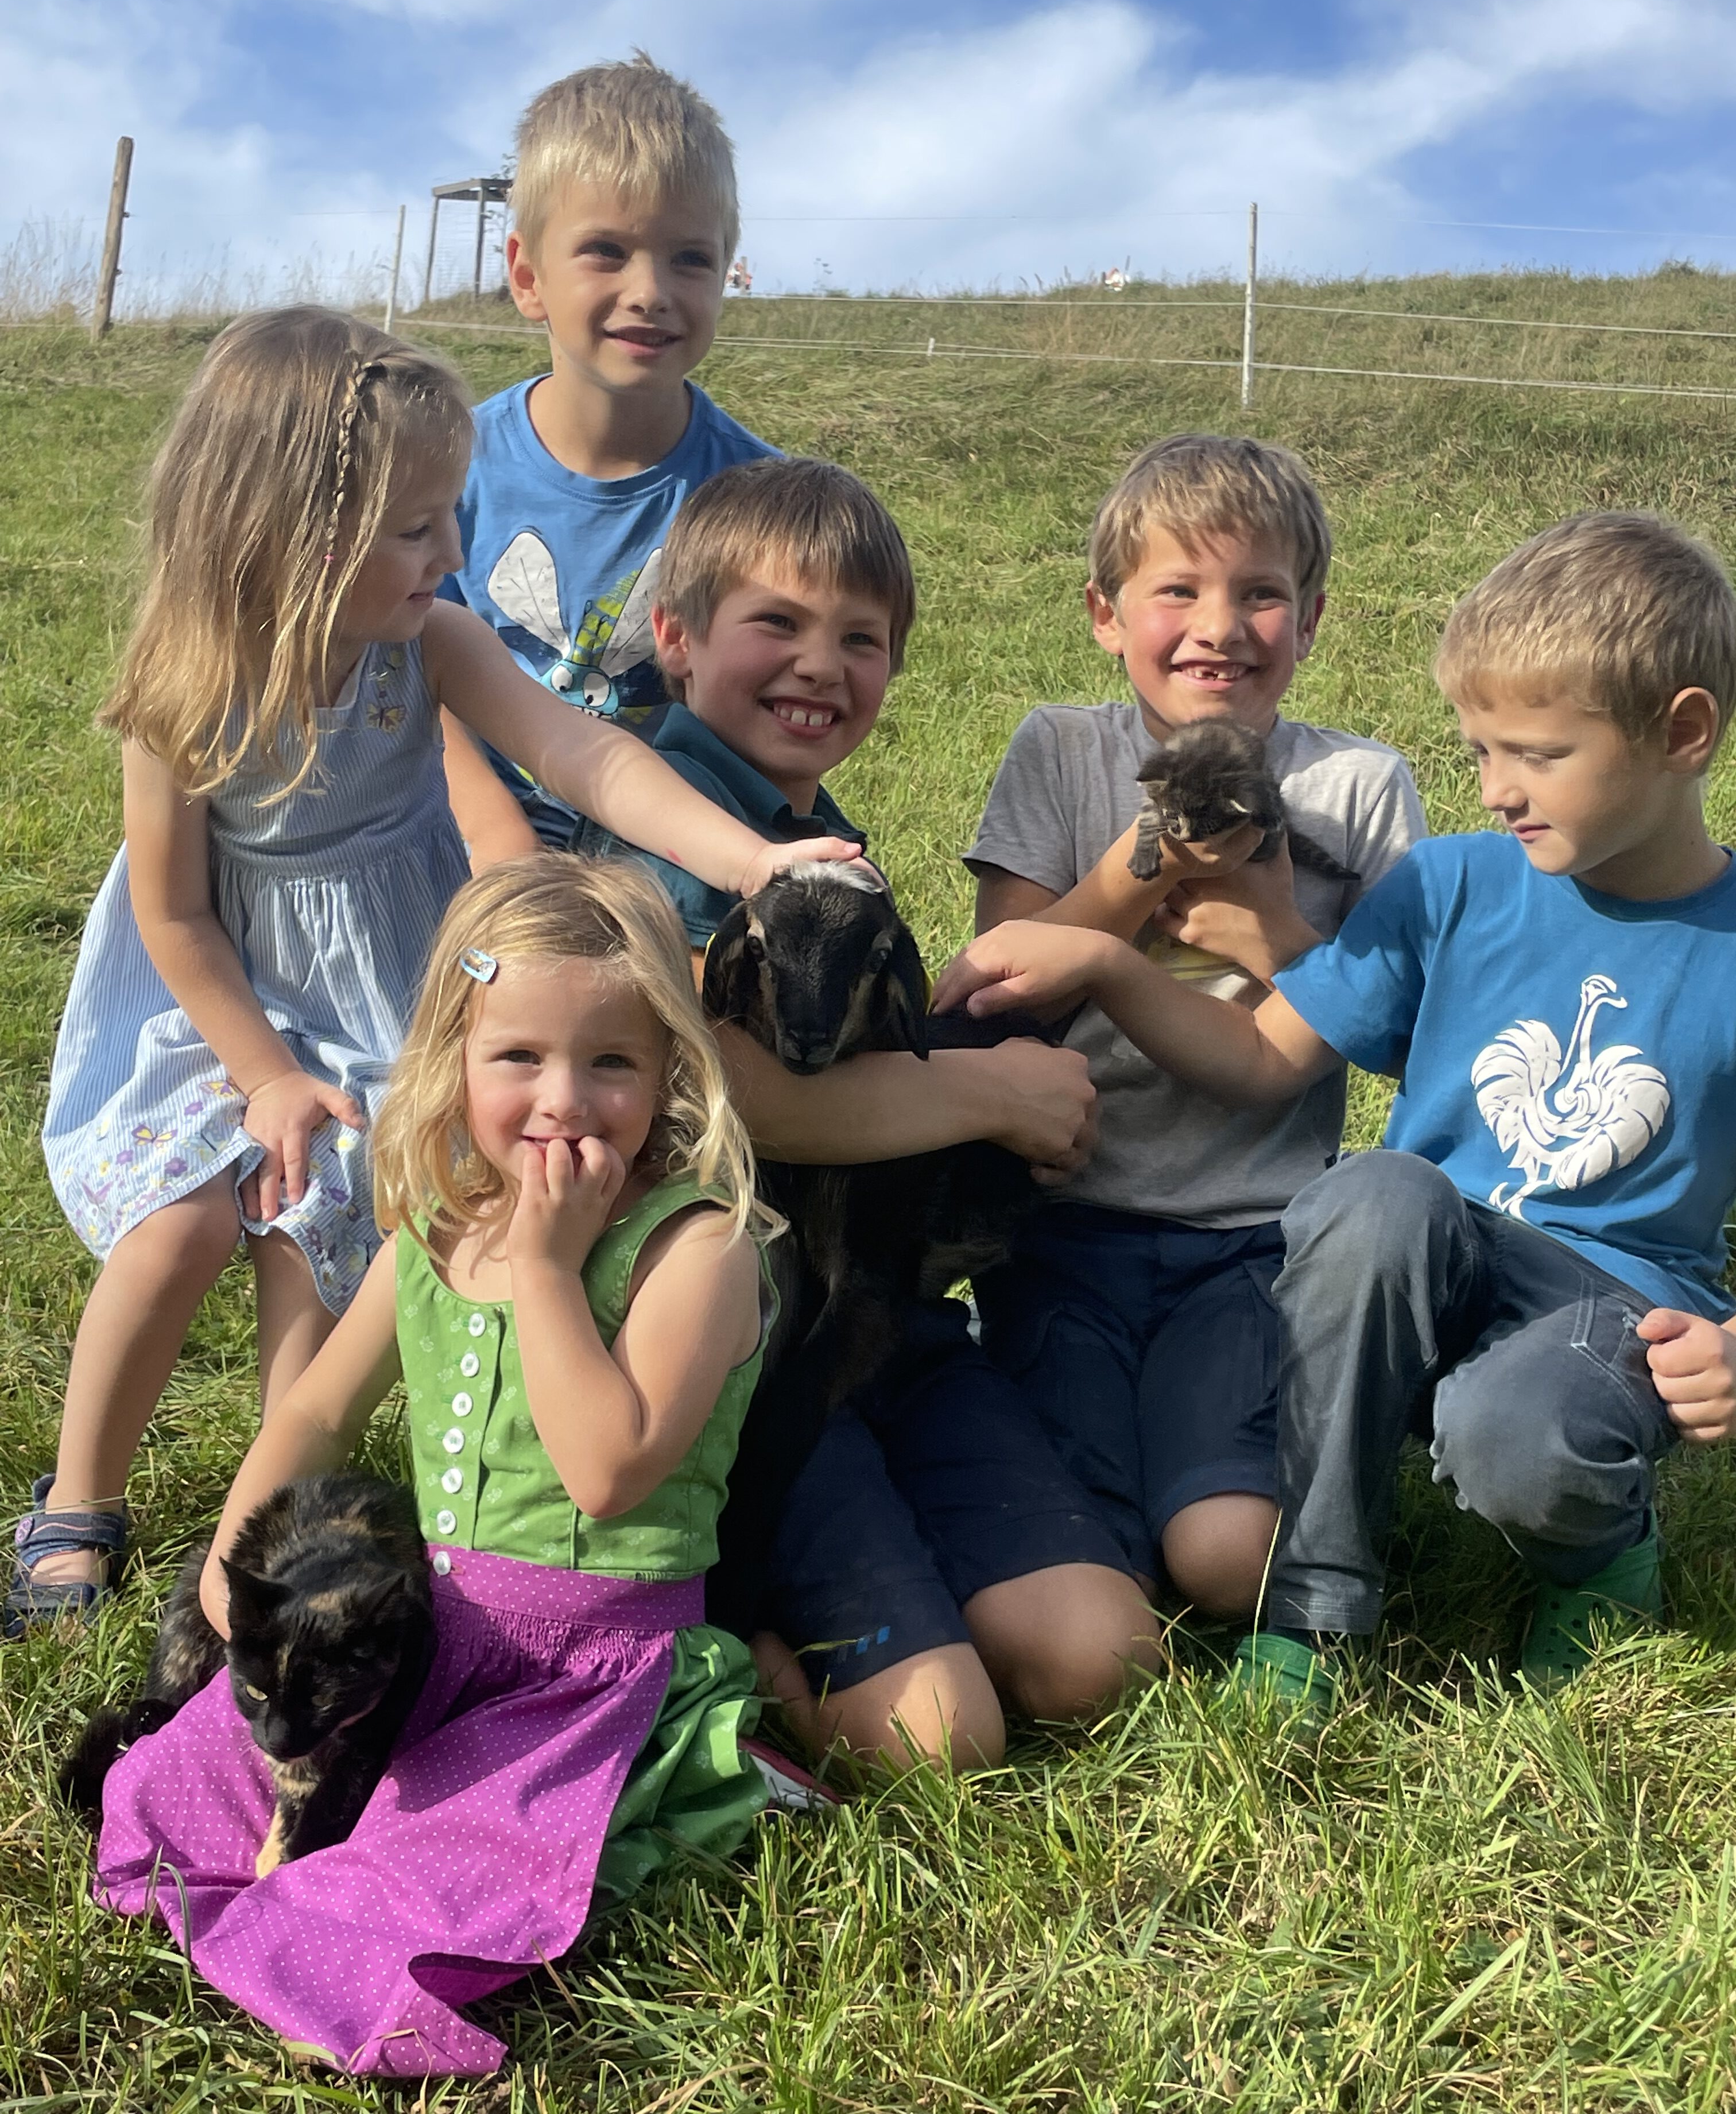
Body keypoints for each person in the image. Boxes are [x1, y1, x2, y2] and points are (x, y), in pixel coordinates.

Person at [18, 308, 854, 1633]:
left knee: (336, 1239)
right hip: (221, 1001)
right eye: (417, 527)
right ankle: (77, 1501)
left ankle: (279, 1520)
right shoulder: (185, 693)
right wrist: (265, 1076)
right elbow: (177, 920)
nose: (450, 553)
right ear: (288, 531)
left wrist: (755, 864)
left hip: (388, 985)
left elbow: (588, 758)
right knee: (176, 1229)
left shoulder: (429, 642)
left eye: (445, 517)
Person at [944, 512, 1736, 1709]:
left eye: (1536, 753)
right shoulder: (1448, 885)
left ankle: (1598, 1556)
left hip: (1612, 1299)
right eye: (1479, 752)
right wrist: (1110, 966)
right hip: (1437, 1255)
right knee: (1371, 1190)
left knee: (1514, 1433)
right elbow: (1267, 1060)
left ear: (1682, 733)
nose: (1499, 790)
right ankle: (1315, 1609)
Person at [91, 855, 781, 2079]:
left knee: (396, 1902)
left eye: (610, 1062)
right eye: (518, 1057)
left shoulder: (698, 1249)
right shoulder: (440, 1227)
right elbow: (314, 1407)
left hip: (581, 1672)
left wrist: (554, 1269)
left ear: (670, 1071)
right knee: (157, 1798)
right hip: (435, 1641)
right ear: (453, 1063)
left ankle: (665, 1787)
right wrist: (229, 1565)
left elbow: (607, 1475)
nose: (564, 1100)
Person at [582, 452, 1153, 1772]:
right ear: (674, 638)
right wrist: (991, 1092)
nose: (820, 665)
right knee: (938, 1741)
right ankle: (744, 1656)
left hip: (879, 1326)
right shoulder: (659, 839)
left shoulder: (812, 825)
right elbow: (728, 1090)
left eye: (862, 640)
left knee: (1100, 1655)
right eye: (775, 625)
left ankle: (918, 1561)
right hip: (748, 1374)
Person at [962, 435, 1423, 1622]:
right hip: (1061, 1226)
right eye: (1178, 589)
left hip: (1254, 1238)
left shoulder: (1362, 787)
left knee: (1225, 1559)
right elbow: (996, 996)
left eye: (1259, 593)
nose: (1219, 625)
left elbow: (1401, 1036)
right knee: (1097, 1554)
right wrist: (1149, 854)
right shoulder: (1059, 753)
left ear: (1312, 620)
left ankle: (1302, 1466)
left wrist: (1269, 920)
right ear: (1106, 616)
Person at [439, 53, 777, 862]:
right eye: (606, 251)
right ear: (527, 277)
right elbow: (409, 675)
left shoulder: (758, 498)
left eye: (690, 258)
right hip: (465, 840)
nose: (651, 289)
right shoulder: (445, 471)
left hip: (677, 847)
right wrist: (498, 838)